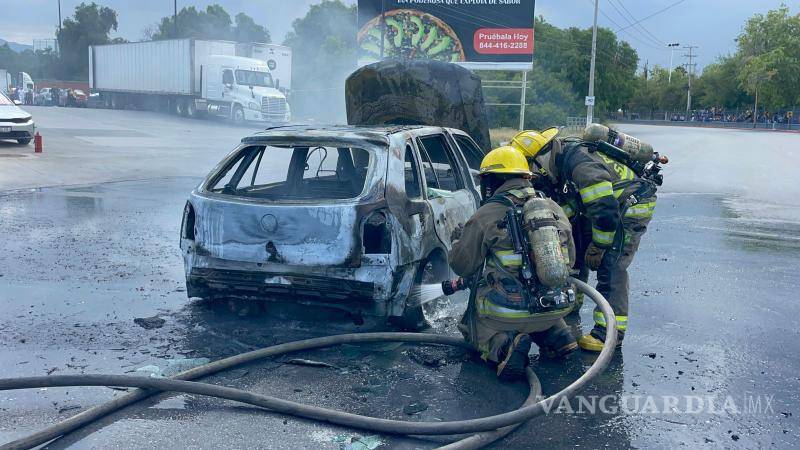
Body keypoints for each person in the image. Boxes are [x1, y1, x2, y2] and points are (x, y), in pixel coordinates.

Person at [510, 128, 657, 352]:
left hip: (630, 209)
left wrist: (599, 246)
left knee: (612, 265)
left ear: (537, 161)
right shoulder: (560, 164)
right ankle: (572, 303)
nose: (533, 177)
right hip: (604, 208)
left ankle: (608, 333)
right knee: (575, 244)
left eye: (529, 171)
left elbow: (605, 211)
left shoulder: (579, 163)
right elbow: (571, 206)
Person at [449, 145, 577, 380]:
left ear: (492, 181)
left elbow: (462, 266)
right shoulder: (553, 208)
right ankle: (559, 335)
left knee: (472, 325)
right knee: (541, 306)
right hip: (555, 305)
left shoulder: (487, 214)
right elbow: (571, 259)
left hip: (508, 313)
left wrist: (458, 241)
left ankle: (504, 348)